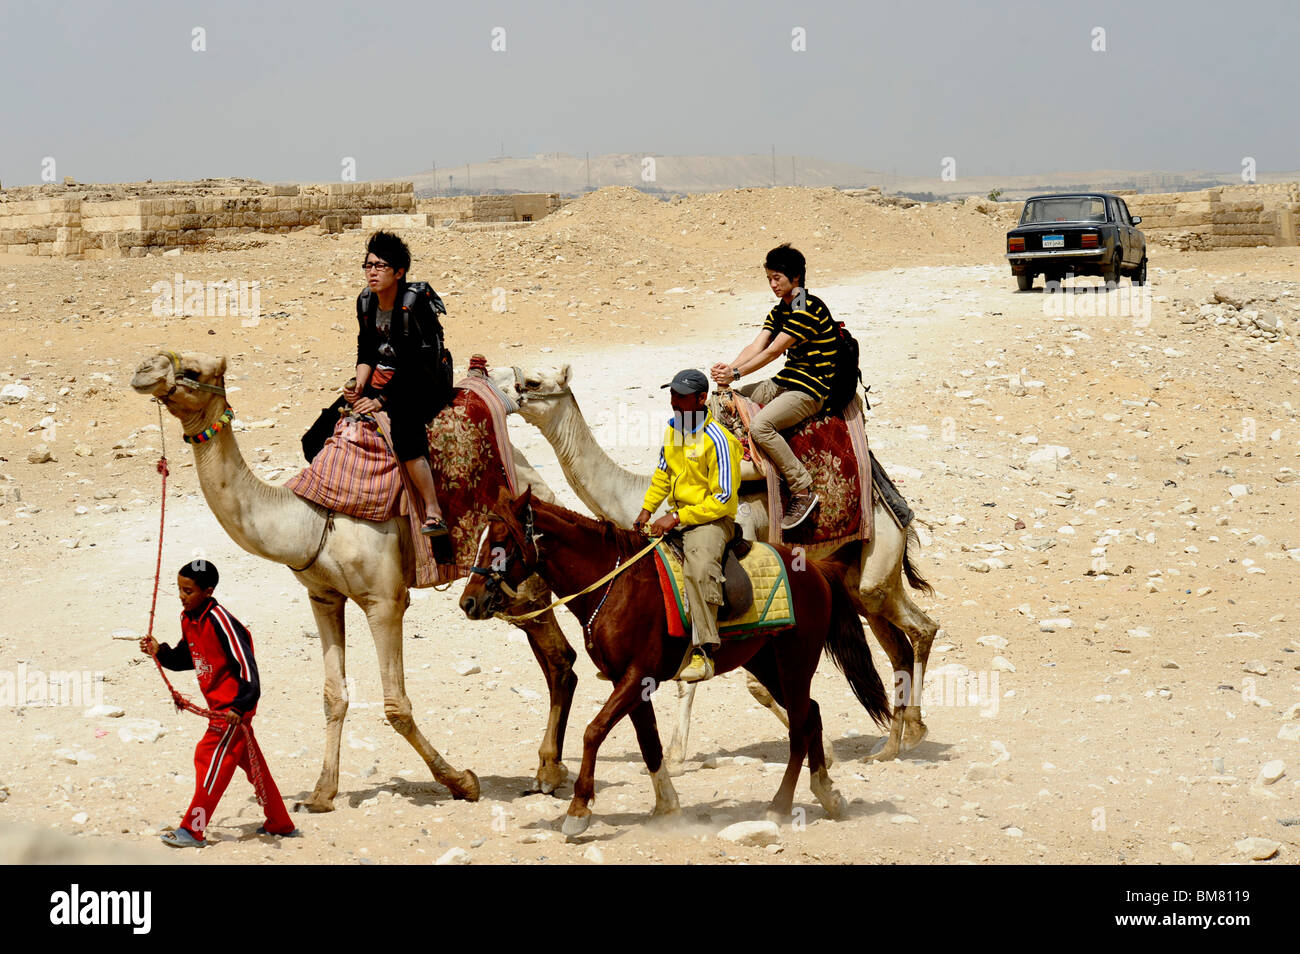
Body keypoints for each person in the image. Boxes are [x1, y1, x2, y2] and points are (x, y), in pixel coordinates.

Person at [140, 560, 299, 847]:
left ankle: (193, 829)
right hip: (220, 708)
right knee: (254, 767)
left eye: (188, 590)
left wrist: (240, 706)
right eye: (179, 589)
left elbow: (248, 670)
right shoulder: (189, 618)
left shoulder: (222, 622)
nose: (181, 595)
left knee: (209, 760)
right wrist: (159, 651)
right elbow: (186, 658)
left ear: (208, 591)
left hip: (231, 711)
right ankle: (281, 823)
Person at [710, 243, 838, 530]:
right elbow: (758, 344)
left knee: (761, 426)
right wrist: (727, 372)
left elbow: (771, 353)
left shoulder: (806, 307)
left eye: (777, 278)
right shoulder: (781, 309)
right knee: (724, 400)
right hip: (786, 380)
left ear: (795, 278)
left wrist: (736, 373)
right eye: (769, 278)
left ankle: (802, 488)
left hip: (810, 388)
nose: (772, 284)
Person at [634, 369, 741, 683]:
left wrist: (676, 518)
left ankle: (705, 650)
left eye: (681, 397)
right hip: (676, 515)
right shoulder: (673, 431)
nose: (674, 403)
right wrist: (646, 510)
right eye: (672, 396)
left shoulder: (720, 440)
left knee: (697, 567)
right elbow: (663, 476)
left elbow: (722, 499)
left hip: (711, 521)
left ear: (701, 399)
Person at [345, 230, 450, 537]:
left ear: (399, 272)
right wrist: (360, 385)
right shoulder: (366, 302)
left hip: (425, 378)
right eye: (368, 265)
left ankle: (433, 510)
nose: (372, 272)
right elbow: (366, 348)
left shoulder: (414, 304)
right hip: (387, 375)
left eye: (380, 266)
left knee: (404, 425)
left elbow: (420, 363)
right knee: (324, 426)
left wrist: (381, 400)